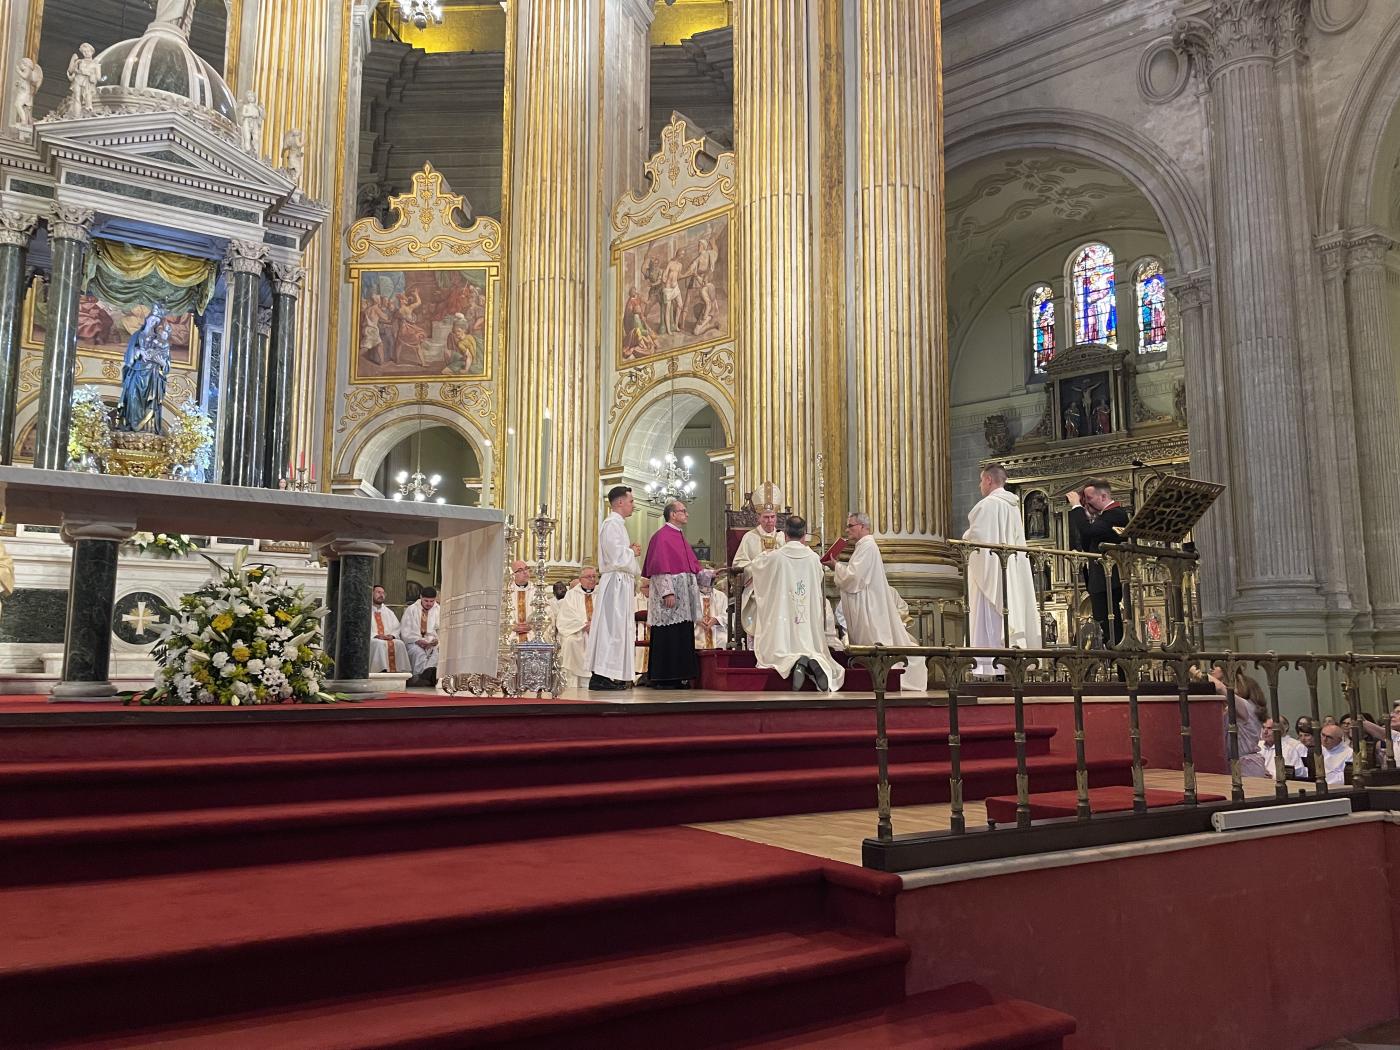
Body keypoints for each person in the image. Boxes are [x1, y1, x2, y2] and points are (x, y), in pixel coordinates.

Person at [830, 512, 929, 692]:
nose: (847, 529)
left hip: (870, 606)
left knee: (876, 642)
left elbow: (854, 578)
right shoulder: (863, 546)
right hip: (867, 603)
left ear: (862, 526)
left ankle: (884, 680)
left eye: (850, 526)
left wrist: (835, 566)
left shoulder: (867, 546)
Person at [748, 515, 844, 692]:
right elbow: (817, 581)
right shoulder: (813, 558)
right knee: (811, 646)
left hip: (783, 618)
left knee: (777, 653)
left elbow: (757, 567)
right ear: (804, 535)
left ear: (785, 535)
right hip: (805, 618)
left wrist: (765, 553)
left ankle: (796, 661)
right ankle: (811, 659)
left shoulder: (775, 556)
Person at [962, 465, 1041, 676]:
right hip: (1010, 571)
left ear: (989, 479)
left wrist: (965, 538)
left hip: (992, 573)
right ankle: (1008, 666)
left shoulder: (987, 505)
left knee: (990, 614)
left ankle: (988, 668)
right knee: (1008, 611)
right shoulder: (1012, 506)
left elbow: (978, 541)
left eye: (981, 481)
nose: (979, 485)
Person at [585, 486, 643, 690]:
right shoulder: (611, 524)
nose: (633, 505)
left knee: (618, 629)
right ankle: (600, 676)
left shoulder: (618, 524)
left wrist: (630, 553)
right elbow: (615, 556)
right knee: (610, 629)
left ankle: (609, 674)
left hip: (621, 583)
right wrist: (632, 551)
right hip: (615, 584)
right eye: (631, 501)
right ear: (620, 502)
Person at [642, 500, 702, 688]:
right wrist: (667, 592)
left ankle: (678, 676)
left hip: (683, 598)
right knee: (667, 635)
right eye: (683, 511)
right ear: (673, 514)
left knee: (681, 634)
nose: (687, 514)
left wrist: (707, 574)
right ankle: (664, 678)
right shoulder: (662, 537)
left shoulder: (679, 536)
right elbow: (660, 567)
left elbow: (692, 567)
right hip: (670, 597)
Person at [1068, 479, 1130, 646]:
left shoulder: (1116, 514)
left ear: (1103, 496)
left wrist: (1076, 506)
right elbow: (1087, 541)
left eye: (1089, 498)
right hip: (1101, 579)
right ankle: (1114, 654)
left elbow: (1088, 531)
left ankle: (1119, 656)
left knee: (1111, 622)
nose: (1087, 502)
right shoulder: (1104, 517)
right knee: (1104, 620)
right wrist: (1087, 516)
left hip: (1108, 579)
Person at [733, 486, 787, 637]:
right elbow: (738, 564)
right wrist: (758, 570)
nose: (770, 521)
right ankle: (759, 639)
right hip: (756, 586)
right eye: (766, 517)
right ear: (758, 518)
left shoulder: (783, 537)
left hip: (780, 585)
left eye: (773, 517)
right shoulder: (749, 537)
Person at [1208, 665, 1268, 777]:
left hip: (1246, 766)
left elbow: (1220, 688)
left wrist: (1195, 672)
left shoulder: (1246, 706)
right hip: (1235, 764)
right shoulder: (1238, 709)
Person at [555, 566, 599, 689]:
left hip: (599, 632)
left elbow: (608, 614)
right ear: (580, 579)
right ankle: (574, 682)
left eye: (594, 576)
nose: (592, 579)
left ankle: (600, 679)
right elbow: (566, 615)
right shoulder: (571, 595)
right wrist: (584, 625)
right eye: (588, 577)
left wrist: (595, 625)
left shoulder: (602, 593)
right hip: (578, 631)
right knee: (571, 642)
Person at [399, 586, 440, 686]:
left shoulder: (439, 610)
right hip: (414, 641)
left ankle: (428, 674)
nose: (429, 604)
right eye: (426, 601)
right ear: (421, 597)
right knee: (418, 652)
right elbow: (405, 630)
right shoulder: (411, 609)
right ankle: (417, 678)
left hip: (432, 642)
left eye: (432, 601)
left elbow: (442, 629)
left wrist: (436, 640)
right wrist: (418, 640)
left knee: (438, 651)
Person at [368, 585, 409, 675]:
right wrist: (376, 635)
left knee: (400, 643)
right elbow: (363, 629)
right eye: (378, 592)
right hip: (372, 639)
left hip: (387, 638)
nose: (381, 595)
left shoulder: (389, 612)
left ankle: (399, 673)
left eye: (383, 593)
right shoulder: (366, 610)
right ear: (371, 593)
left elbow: (397, 628)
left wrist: (392, 635)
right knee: (379, 644)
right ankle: (379, 671)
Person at [695, 569, 728, 650]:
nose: (709, 582)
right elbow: (685, 615)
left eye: (712, 579)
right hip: (696, 637)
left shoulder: (721, 596)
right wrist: (696, 619)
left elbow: (730, 616)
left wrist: (717, 620)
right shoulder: (692, 596)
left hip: (719, 638)